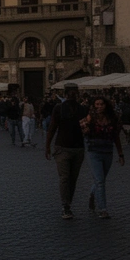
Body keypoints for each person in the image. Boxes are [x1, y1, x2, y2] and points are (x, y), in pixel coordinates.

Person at [45, 81, 88, 220]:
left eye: (74, 92)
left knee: (71, 179)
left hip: (74, 147)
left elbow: (86, 129)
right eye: (72, 92)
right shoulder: (61, 108)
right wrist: (47, 146)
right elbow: (52, 127)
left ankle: (67, 204)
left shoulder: (82, 109)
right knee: (65, 178)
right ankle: (66, 205)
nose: (73, 95)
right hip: (65, 148)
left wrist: (47, 146)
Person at [80, 95, 124, 218]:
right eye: (97, 104)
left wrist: (120, 154)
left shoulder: (112, 118)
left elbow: (116, 137)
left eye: (101, 104)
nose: (99, 106)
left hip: (108, 151)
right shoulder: (91, 117)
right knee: (100, 181)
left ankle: (93, 194)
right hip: (94, 151)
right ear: (94, 106)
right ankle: (103, 209)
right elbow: (82, 129)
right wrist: (85, 129)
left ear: (106, 105)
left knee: (101, 179)